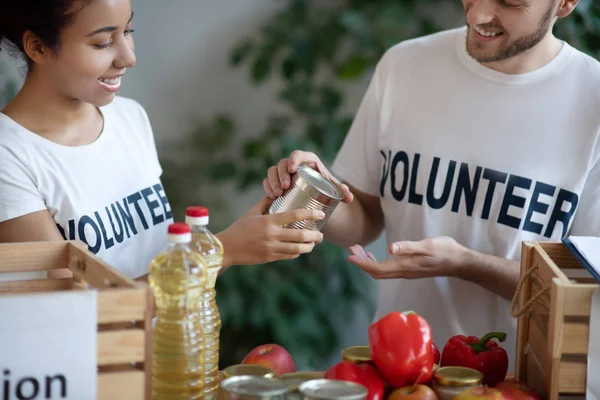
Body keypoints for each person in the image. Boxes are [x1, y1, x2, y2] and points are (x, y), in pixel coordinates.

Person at [264, 0, 600, 370]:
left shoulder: (592, 101)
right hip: (400, 373)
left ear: (566, 3)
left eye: (509, 2)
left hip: (521, 382)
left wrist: (466, 264)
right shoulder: (404, 66)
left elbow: (582, 290)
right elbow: (363, 219)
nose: (477, 15)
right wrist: (316, 194)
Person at [0, 0, 324, 281]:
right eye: (102, 43)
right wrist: (222, 252)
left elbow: (166, 273)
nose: (128, 58)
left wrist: (247, 232)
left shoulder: (129, 118)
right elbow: (75, 310)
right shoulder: (9, 156)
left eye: (128, 32)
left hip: (168, 346)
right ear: (38, 47)